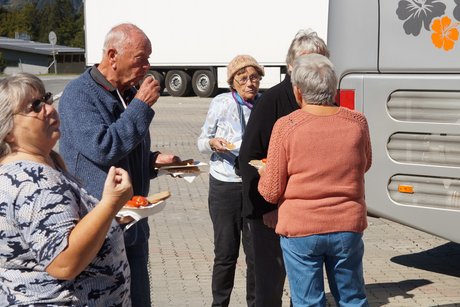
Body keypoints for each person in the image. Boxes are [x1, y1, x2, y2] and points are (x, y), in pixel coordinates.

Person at [58, 23, 180, 307]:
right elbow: (104, 148)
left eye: (149, 59)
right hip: (98, 230)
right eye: (140, 58)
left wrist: (153, 161)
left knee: (140, 300)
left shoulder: (125, 94)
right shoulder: (80, 94)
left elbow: (125, 150)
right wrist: (141, 106)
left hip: (133, 225)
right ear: (112, 55)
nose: (147, 67)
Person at [0, 73, 133, 306]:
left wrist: (108, 222)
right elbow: (64, 262)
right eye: (35, 106)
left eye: (46, 99)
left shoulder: (37, 166)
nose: (50, 109)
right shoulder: (33, 182)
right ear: (8, 129)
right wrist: (110, 204)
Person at [258, 53, 371, 306]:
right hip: (347, 224)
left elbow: (271, 191)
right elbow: (366, 163)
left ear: (298, 92)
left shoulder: (286, 126)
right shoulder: (357, 122)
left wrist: (263, 174)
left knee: (308, 301)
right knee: (352, 298)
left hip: (301, 228)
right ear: (334, 88)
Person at [237, 29, 330, 306]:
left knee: (305, 288)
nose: (314, 68)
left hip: (307, 212)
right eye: (306, 61)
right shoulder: (272, 101)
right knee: (268, 289)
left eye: (320, 61)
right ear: (290, 67)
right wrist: (268, 208)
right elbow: (248, 158)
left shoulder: (325, 102)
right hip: (270, 214)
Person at [197, 55, 264, 307]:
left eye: (254, 77)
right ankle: (220, 303)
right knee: (225, 253)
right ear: (232, 82)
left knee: (256, 255)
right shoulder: (221, 103)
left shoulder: (263, 104)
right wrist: (212, 143)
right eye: (243, 78)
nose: (250, 83)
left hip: (254, 186)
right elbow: (202, 141)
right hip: (224, 185)